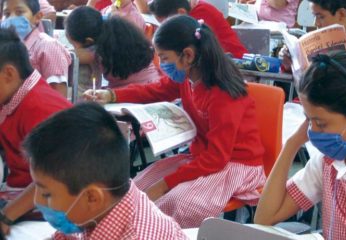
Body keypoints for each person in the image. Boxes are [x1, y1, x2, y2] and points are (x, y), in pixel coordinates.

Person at [84, 15, 266, 228]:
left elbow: (217, 157)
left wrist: (166, 184)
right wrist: (113, 96)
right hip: (202, 157)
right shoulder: (187, 77)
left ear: (187, 55)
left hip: (235, 165)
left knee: (178, 204)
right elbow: (156, 89)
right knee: (138, 186)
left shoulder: (222, 93)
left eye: (165, 58)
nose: (162, 65)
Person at [254, 51, 346, 239]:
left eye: (321, 123)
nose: (312, 131)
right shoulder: (328, 160)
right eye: (308, 121)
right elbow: (265, 217)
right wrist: (292, 144)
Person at [23, 102, 189, 240]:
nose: (37, 201)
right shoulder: (96, 211)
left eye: (47, 194)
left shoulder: (138, 234)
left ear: (92, 198)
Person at [0, 27, 71, 234]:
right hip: (20, 193)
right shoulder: (12, 97)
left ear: (9, 73)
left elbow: (56, 177)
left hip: (48, 210)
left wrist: (7, 215)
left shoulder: (41, 108)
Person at [65, 6, 161, 91]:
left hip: (137, 92)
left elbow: (70, 56)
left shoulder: (98, 51)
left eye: (73, 44)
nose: (74, 48)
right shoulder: (117, 30)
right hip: (153, 83)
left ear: (88, 41)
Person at [1, 0, 72, 97]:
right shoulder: (5, 48)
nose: (11, 18)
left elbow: (58, 98)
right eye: (7, 14)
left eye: (20, 12)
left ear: (37, 17)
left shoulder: (48, 47)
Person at [149, 0, 248, 58]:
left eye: (166, 24)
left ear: (181, 13)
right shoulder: (189, 12)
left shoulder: (200, 15)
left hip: (236, 65)